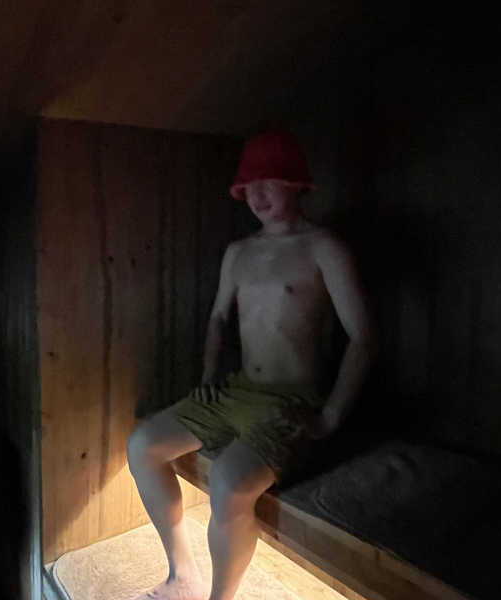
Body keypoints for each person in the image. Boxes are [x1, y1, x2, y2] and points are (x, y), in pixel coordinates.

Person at [127, 129, 378, 600]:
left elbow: (364, 336)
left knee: (228, 482)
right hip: (236, 390)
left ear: (296, 183)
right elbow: (218, 318)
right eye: (248, 186)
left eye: (269, 182)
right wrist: (208, 375)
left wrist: (331, 415)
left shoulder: (323, 247)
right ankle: (181, 575)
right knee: (142, 445)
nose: (256, 195)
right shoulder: (238, 253)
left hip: (292, 398)